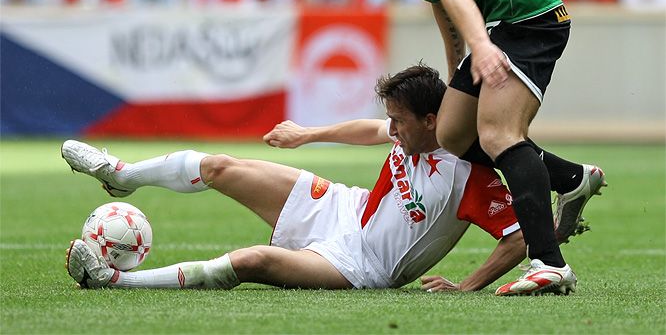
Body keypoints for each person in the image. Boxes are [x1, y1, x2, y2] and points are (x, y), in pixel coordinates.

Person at [299, 0, 606, 296]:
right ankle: (571, 178)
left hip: (528, 17)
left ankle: (550, 264)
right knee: (451, 133)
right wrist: (457, 65)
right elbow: (442, 3)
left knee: (499, 135)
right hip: (497, 26)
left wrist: (481, 46)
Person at [64, 64, 536, 293]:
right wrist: (306, 135)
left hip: (360, 265)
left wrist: (468, 286)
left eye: (399, 121)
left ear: (432, 120)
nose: (390, 130)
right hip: (340, 208)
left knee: (251, 261)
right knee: (221, 167)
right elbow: (366, 130)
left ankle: (114, 282)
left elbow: (518, 238)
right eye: (389, 118)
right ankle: (122, 175)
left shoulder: (470, 176)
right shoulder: (405, 131)